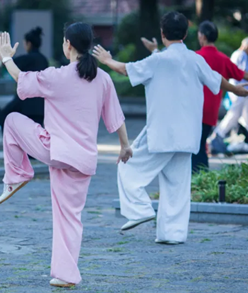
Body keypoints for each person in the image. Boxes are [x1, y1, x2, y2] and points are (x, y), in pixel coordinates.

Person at [93, 11, 248, 245]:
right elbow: (218, 80)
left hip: (162, 134)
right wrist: (240, 90)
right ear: (186, 34)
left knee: (128, 168)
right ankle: (172, 234)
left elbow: (127, 69)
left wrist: (106, 60)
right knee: (177, 186)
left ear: (163, 34)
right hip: (188, 136)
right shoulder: (195, 60)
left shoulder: (158, 60)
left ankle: (140, 210)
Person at [0, 24, 132, 288]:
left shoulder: (58, 76)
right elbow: (116, 117)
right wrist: (125, 146)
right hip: (83, 159)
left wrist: (5, 58)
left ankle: (18, 174)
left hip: (56, 151)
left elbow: (21, 80)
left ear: (68, 44)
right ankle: (67, 275)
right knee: (70, 217)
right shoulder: (102, 78)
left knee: (12, 120)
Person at [192, 22, 248, 171]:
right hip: (211, 111)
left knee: (195, 148)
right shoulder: (223, 58)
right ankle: (200, 181)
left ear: (202, 36)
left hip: (194, 110)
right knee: (201, 144)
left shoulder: (195, 57)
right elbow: (242, 74)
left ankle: (198, 179)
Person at [0, 27, 49, 130]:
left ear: (28, 43)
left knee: (5, 118)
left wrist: (1, 47)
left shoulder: (28, 59)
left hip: (25, 104)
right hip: (41, 105)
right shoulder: (44, 60)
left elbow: (7, 63)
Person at [209, 38, 248, 155]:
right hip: (238, 89)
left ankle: (218, 136)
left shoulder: (241, 54)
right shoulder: (239, 54)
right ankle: (217, 136)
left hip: (240, 90)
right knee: (234, 115)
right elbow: (240, 73)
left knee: (241, 115)